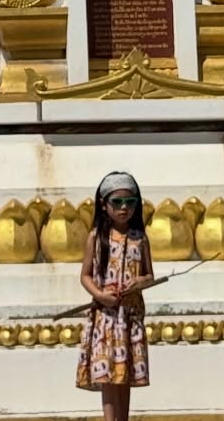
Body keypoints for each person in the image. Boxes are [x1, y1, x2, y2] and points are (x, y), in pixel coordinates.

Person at [77, 170, 152, 415]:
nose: (124, 208)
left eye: (130, 202)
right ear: (104, 204)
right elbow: (85, 275)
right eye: (117, 202)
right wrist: (99, 295)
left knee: (124, 373)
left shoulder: (140, 238)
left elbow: (149, 275)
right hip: (106, 317)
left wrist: (139, 282)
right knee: (107, 374)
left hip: (129, 316)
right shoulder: (96, 238)